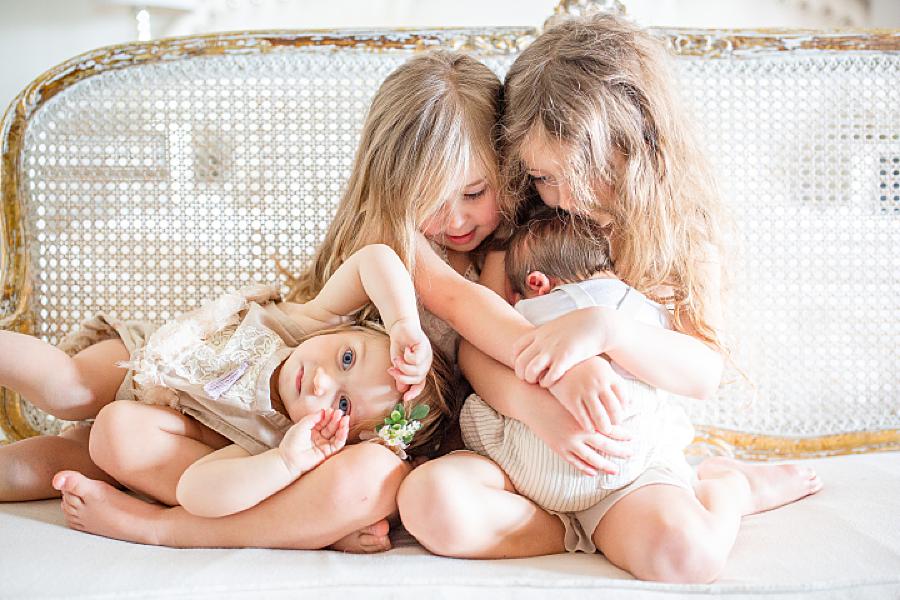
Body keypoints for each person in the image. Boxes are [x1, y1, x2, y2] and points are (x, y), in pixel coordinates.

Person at [35, 49, 626, 553]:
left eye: (475, 191)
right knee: (107, 433)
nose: (456, 218)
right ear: (394, 189)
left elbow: (474, 364)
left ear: (507, 170)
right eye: (430, 198)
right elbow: (461, 316)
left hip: (347, 444)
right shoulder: (400, 244)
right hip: (243, 418)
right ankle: (268, 523)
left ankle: (173, 526)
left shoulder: (516, 254)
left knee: (370, 480)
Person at [397, 14, 822, 582]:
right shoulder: (527, 231)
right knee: (430, 501)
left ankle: (729, 489)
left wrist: (610, 330)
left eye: (585, 172)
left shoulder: (682, 238)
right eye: (543, 177)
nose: (564, 195)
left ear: (637, 145)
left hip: (625, 474)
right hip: (519, 460)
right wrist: (535, 410)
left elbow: (702, 373)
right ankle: (565, 535)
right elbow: (477, 351)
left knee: (688, 557)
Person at [2, 243, 451, 512]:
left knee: (56, 462)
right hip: (141, 360)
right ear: (348, 329)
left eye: (343, 405)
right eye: (347, 358)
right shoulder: (310, 323)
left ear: (343, 442)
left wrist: (286, 464)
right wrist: (402, 324)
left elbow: (197, 492)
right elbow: (374, 259)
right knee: (68, 387)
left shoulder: (274, 446)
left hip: (139, 440)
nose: (322, 383)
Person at [462, 204, 690, 517]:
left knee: (475, 409)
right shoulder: (646, 307)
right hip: (625, 467)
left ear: (537, 284)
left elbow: (483, 342)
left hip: (534, 476)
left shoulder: (534, 309)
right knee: (658, 407)